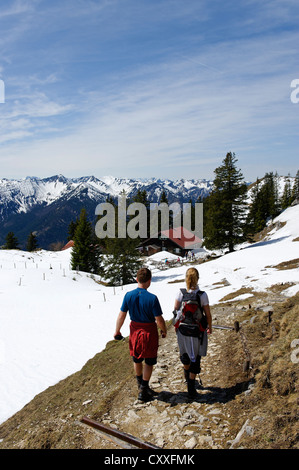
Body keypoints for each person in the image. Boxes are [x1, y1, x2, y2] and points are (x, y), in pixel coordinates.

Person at [114, 267, 167, 402]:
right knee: (149, 361)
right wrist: (164, 330)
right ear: (149, 281)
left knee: (136, 358)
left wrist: (117, 330)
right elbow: (159, 319)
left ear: (137, 279)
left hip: (135, 331)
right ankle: (144, 389)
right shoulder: (152, 298)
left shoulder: (128, 295)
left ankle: (140, 386)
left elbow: (122, 315)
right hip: (149, 332)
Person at [173, 267, 212, 398]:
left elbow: (175, 310)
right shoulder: (202, 295)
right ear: (198, 278)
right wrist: (209, 326)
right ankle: (191, 386)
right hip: (197, 330)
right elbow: (207, 313)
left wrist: (176, 325)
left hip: (182, 330)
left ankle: (186, 375)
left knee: (184, 353)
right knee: (196, 356)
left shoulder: (181, 293)